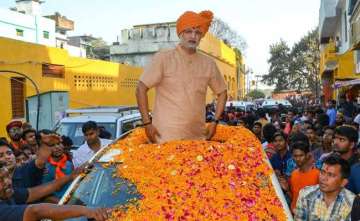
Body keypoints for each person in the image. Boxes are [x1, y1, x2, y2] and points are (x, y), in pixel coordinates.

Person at [136, 10, 227, 144]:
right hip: (164, 137)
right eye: (189, 31)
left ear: (201, 36)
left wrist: (215, 122)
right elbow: (140, 89)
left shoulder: (208, 63)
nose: (193, 36)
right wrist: (147, 123)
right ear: (180, 34)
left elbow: (222, 92)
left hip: (197, 137)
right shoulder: (163, 58)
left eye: (197, 33)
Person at [0, 163, 110, 221]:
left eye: (7, 176)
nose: (8, 182)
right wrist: (87, 211)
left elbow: (36, 192)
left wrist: (70, 177)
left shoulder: (8, 193)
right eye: (1, 179)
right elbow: (35, 211)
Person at [295, 154, 354, 220]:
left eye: (330, 175)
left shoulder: (352, 203)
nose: (323, 178)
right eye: (322, 172)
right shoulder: (306, 194)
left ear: (343, 182)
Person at [286, 141, 319, 212]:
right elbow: (294, 196)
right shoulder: (294, 174)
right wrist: (287, 190)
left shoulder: (318, 174)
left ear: (307, 155)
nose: (298, 159)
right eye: (295, 156)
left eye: (301, 155)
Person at [42, 134, 73, 202]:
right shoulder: (44, 167)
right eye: (52, 145)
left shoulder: (69, 164)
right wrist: (61, 203)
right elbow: (43, 193)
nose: (57, 147)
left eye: (59, 144)